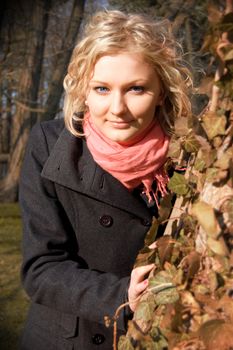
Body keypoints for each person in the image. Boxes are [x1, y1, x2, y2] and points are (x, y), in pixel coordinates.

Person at [19, 10, 192, 350]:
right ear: (84, 91)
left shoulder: (188, 156)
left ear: (161, 92)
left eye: (136, 89)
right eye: (101, 88)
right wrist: (122, 294)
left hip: (152, 338)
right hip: (66, 339)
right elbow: (40, 268)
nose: (117, 108)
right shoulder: (51, 145)